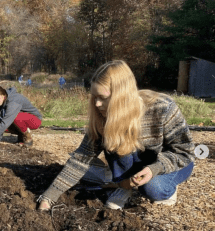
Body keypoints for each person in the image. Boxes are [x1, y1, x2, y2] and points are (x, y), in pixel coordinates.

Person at [38, 60, 195, 211]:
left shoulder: (162, 108)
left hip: (172, 164)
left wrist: (155, 168)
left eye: (103, 98)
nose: (97, 104)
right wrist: (49, 197)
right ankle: (124, 185)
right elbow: (81, 158)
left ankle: (168, 189)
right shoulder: (103, 117)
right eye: (95, 97)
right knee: (114, 144)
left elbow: (184, 152)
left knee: (153, 188)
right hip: (139, 165)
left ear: (122, 97)